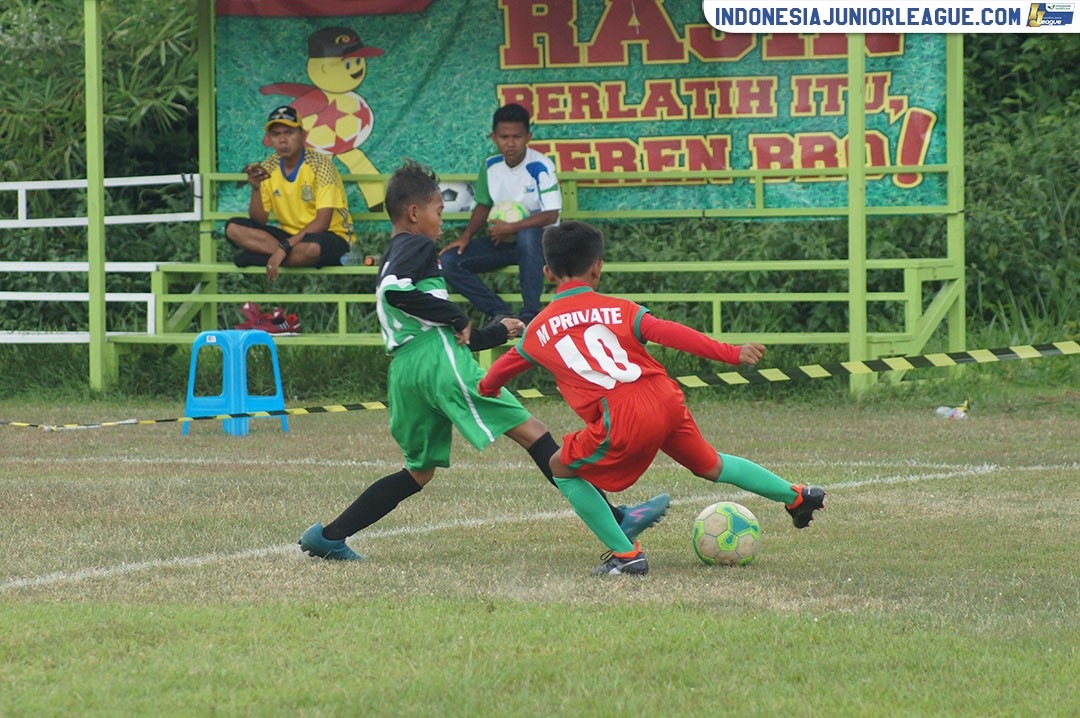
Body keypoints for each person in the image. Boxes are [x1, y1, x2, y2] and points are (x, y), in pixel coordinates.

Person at [298, 160, 668, 561]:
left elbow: (430, 321)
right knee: (535, 432)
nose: (442, 221)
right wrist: (459, 316)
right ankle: (615, 519)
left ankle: (330, 536)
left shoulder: (395, 251)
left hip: (406, 369)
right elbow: (395, 293)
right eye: (439, 211)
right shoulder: (419, 245)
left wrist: (495, 332)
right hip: (436, 362)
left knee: (418, 472)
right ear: (414, 213)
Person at [478, 221, 827, 576]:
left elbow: (497, 375)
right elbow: (669, 332)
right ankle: (798, 496)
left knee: (560, 467)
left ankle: (626, 556)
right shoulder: (621, 309)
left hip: (623, 415)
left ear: (548, 272)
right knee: (711, 465)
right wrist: (731, 353)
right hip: (664, 398)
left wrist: (488, 391)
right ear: (598, 266)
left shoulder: (538, 329)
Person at [439, 103, 561, 324]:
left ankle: (530, 314)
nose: (511, 143)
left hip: (540, 246)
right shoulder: (490, 166)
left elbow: (551, 215)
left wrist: (511, 228)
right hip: (502, 242)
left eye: (517, 136)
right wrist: (465, 237)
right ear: (494, 137)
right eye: (504, 137)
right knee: (447, 261)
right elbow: (483, 205)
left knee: (527, 236)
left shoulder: (542, 165)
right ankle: (500, 311)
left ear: (528, 137)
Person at [225, 105, 355, 281]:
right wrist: (256, 189)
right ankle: (283, 257)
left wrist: (284, 248)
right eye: (276, 135)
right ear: (270, 139)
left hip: (330, 236)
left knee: (313, 249)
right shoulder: (268, 167)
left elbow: (322, 222)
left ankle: (257, 259)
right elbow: (258, 221)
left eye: (289, 133)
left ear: (303, 135)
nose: (283, 140)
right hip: (288, 238)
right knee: (233, 229)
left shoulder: (321, 166)